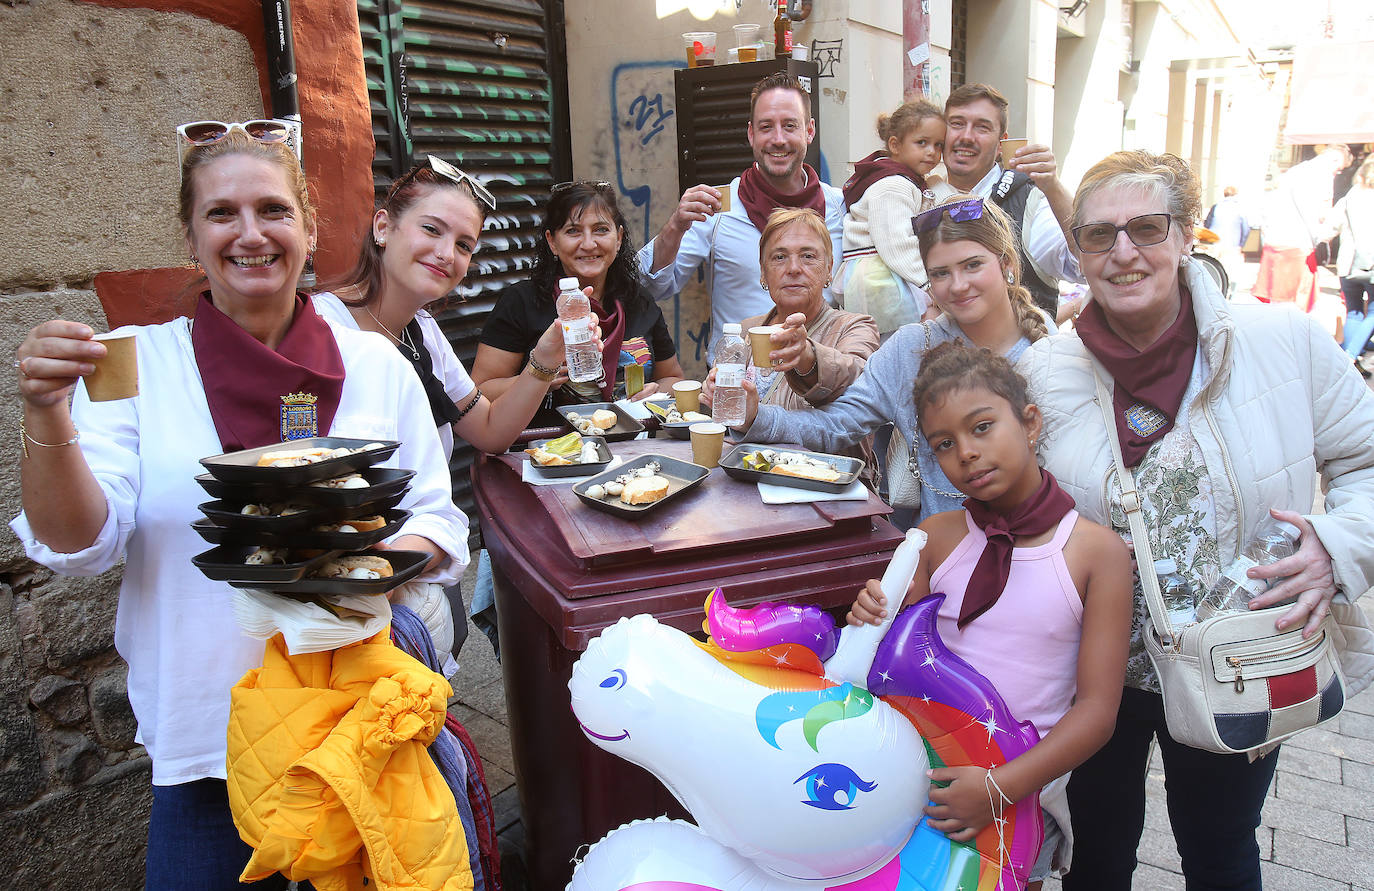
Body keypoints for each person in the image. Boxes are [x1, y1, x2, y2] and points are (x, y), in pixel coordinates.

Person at [10, 123, 470, 888]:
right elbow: (80, 543)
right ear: (191, 235)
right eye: (222, 214)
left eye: (273, 210)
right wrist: (46, 415)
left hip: (358, 729)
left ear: (310, 228)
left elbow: (436, 516)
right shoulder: (136, 363)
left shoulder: (374, 362)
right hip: (208, 745)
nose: (250, 233)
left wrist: (354, 569)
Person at [1017, 149, 1374, 890]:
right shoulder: (1047, 371)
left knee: (1221, 853)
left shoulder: (1284, 342)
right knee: (1098, 853)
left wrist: (1337, 548)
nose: (1123, 252)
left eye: (1147, 228)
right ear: (1077, 253)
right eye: (1098, 235)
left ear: (1187, 236)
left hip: (1239, 657)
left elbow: (1365, 461)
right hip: (1097, 671)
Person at [848, 340, 1132, 889]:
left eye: (982, 427)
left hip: (1021, 794)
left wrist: (999, 788)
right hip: (917, 784)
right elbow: (896, 664)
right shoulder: (934, 538)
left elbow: (1097, 713)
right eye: (944, 444)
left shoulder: (1096, 554)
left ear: (1029, 422)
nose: (967, 453)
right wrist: (871, 617)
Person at [315, 154, 586, 659]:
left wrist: (543, 362)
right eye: (432, 230)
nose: (447, 253)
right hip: (349, 595)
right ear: (383, 227)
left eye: (463, 245)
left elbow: (487, 428)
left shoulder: (422, 331)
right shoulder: (321, 331)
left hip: (417, 570)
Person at [736, 194, 1052, 526]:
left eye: (972, 265)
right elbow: (835, 426)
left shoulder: (1050, 354)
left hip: (1037, 548)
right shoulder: (911, 347)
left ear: (1007, 265)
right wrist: (757, 417)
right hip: (940, 558)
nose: (958, 285)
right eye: (941, 273)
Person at [637, 72, 844, 360]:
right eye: (766, 127)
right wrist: (675, 226)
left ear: (809, 131)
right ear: (751, 134)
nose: (778, 139)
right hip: (736, 383)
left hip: (819, 383)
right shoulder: (718, 206)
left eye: (790, 126)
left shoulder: (838, 206)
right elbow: (648, 287)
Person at [474, 180, 683, 426]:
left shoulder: (638, 300)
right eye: (573, 231)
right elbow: (480, 392)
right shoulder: (521, 302)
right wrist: (537, 377)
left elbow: (673, 379)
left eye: (601, 230)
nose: (588, 244)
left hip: (631, 450)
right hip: (548, 452)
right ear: (552, 241)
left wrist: (657, 393)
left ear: (619, 238)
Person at [700, 207, 879, 476]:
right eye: (779, 257)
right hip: (745, 483)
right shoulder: (747, 331)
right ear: (763, 272)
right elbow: (720, 418)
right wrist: (714, 396)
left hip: (824, 491)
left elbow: (855, 376)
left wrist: (807, 357)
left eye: (808, 256)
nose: (793, 269)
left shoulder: (854, 326)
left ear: (829, 268)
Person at [941, 83, 1082, 320]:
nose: (966, 137)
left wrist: (1053, 186)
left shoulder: (1029, 200)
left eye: (982, 128)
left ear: (1001, 145)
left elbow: (1081, 264)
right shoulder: (917, 194)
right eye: (956, 124)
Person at [836, 97, 957, 338]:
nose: (932, 152)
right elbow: (897, 243)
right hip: (882, 278)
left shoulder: (901, 179)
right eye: (922, 142)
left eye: (938, 145)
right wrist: (930, 283)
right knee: (912, 343)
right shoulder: (893, 186)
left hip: (885, 274)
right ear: (895, 144)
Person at [1254, 144, 1353, 306]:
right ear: (1334, 159)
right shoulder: (1322, 175)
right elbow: (1319, 214)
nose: (1337, 173)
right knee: (1293, 303)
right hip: (1299, 244)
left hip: (1277, 240)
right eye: (1339, 169)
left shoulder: (1295, 171)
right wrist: (1322, 238)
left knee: (1275, 301)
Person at [1320, 157, 1374, 369]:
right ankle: (1350, 355)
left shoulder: (1349, 199)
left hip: (1348, 263)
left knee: (1353, 311)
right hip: (1370, 264)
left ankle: (1352, 359)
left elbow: (1329, 230)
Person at [1204, 185, 1250, 297]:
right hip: (1232, 245)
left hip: (1215, 243)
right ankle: (1229, 296)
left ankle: (1214, 295)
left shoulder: (1216, 206)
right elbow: (1246, 229)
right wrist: (1241, 244)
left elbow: (1207, 224)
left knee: (1216, 271)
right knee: (1231, 274)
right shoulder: (1240, 209)